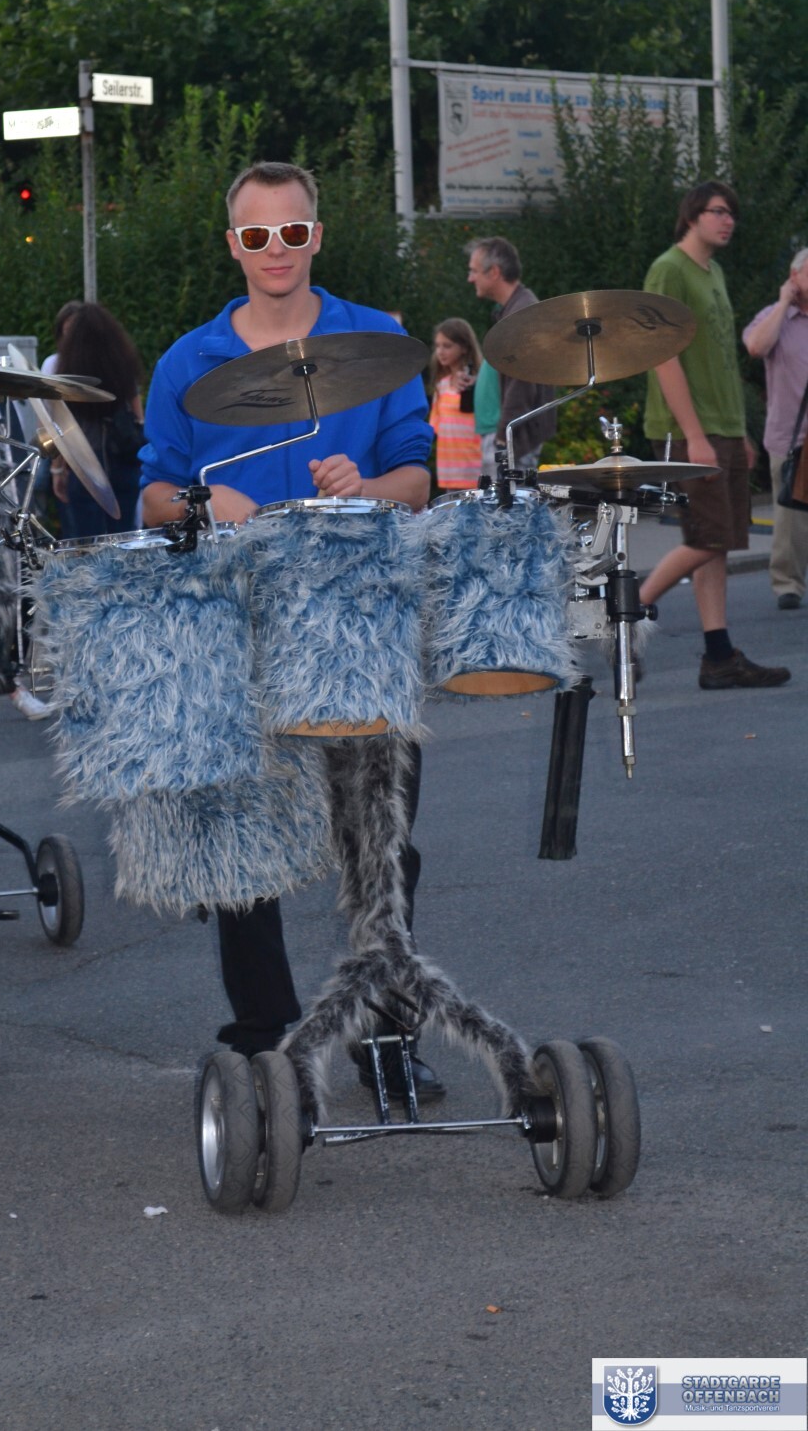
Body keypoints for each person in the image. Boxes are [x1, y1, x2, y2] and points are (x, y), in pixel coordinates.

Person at [140, 159, 443, 1103]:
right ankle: (265, 1042)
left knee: (382, 842)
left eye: (294, 232)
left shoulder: (375, 341)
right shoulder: (188, 361)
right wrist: (203, 501)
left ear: (318, 236)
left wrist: (369, 486)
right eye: (257, 235)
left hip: (357, 616)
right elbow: (152, 494)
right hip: (237, 621)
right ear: (233, 245)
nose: (277, 250)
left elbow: (419, 478)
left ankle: (386, 1036)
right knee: (245, 844)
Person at [638, 181, 789, 689]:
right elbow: (663, 356)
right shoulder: (669, 269)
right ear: (692, 216)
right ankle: (628, 612)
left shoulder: (714, 272)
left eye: (732, 214)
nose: (728, 221)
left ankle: (719, 656)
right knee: (711, 537)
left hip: (723, 426)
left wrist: (738, 430)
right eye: (719, 211)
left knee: (718, 544)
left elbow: (721, 357)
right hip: (690, 429)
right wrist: (695, 434)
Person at [742, 247, 808, 610]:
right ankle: (788, 585)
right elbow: (755, 346)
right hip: (792, 435)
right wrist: (784, 302)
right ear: (794, 276)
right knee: (790, 519)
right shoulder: (775, 317)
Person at [465, 235, 556, 470]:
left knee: (509, 496)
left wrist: (504, 437)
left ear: (494, 272)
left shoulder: (521, 314)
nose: (470, 278)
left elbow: (522, 382)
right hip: (504, 435)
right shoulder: (511, 309)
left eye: (474, 271)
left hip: (510, 440)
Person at [53, 302, 143, 538]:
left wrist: (58, 469)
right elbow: (138, 416)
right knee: (124, 537)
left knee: (87, 541)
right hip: (124, 457)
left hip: (84, 461)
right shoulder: (124, 364)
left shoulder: (68, 370)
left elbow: (63, 424)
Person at [428, 317, 482, 490]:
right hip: (449, 471)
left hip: (475, 469)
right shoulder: (441, 385)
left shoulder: (479, 382)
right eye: (437, 346)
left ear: (464, 347)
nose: (440, 351)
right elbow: (435, 427)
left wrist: (474, 387)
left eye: (447, 346)